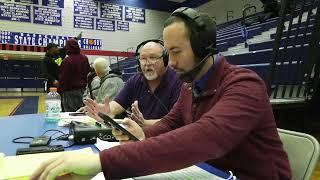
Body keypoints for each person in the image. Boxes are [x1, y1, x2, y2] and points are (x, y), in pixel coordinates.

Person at [31, 7, 291, 180]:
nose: (172, 62)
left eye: (176, 52)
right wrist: (139, 133)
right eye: (169, 53)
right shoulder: (191, 87)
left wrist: (104, 161)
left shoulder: (244, 85)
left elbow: (204, 138)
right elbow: (170, 123)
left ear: (204, 47)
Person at [82, 40, 182, 126]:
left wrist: (146, 123)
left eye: (153, 57)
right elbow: (117, 104)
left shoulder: (179, 82)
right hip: (140, 136)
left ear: (165, 59)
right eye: (143, 58)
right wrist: (107, 111)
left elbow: (177, 121)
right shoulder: (135, 81)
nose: (147, 63)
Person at [59, 38, 90, 112]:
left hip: (70, 93)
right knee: (82, 113)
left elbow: (63, 78)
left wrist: (60, 90)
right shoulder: (84, 58)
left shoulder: (67, 60)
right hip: (83, 91)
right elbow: (88, 73)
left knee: (71, 114)